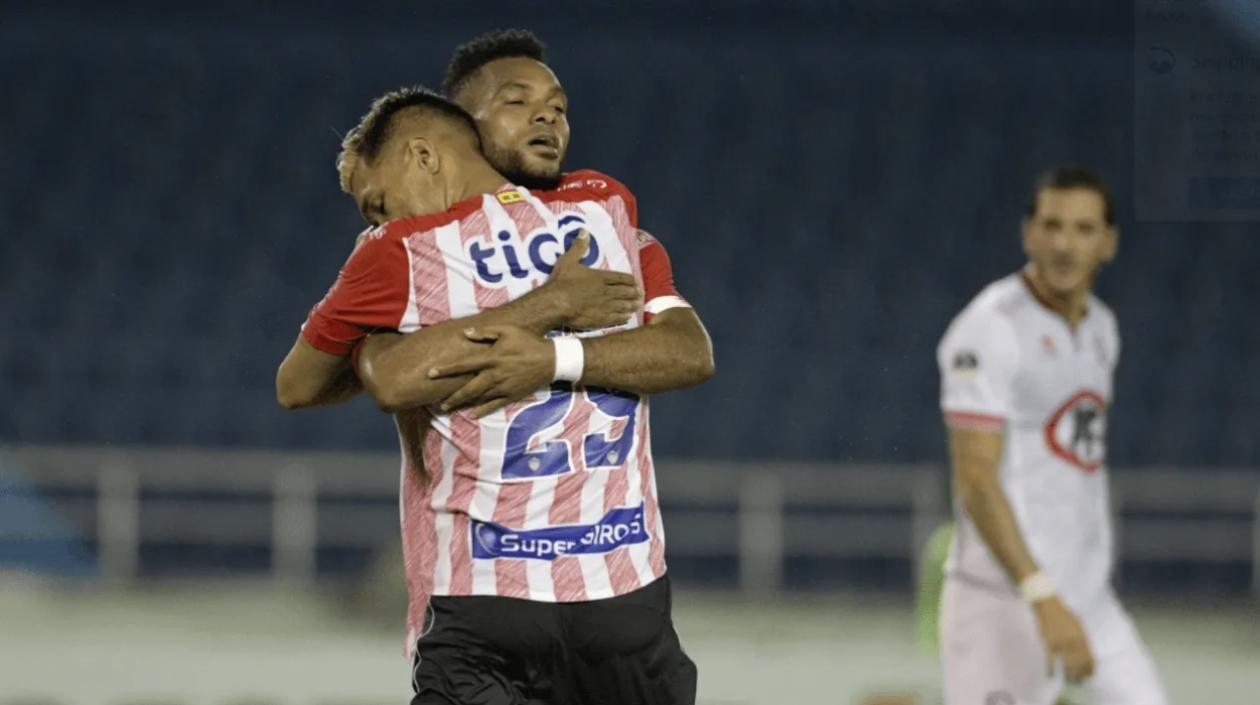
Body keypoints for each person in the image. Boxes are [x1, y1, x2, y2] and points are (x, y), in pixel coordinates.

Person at [280, 86, 710, 705]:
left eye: (376, 202)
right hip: (623, 596)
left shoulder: (403, 252)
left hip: (484, 594)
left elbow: (301, 386)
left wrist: (375, 343)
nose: (377, 220)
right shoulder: (610, 220)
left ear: (422, 156)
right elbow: (692, 353)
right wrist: (557, 315)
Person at [935, 166, 1166, 705]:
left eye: (1084, 229)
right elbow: (976, 481)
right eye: (1052, 226)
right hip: (1004, 602)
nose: (1065, 244)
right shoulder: (989, 329)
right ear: (1028, 234)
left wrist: (1072, 595)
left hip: (1089, 599)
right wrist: (1042, 597)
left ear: (1108, 243)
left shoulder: (1101, 329)